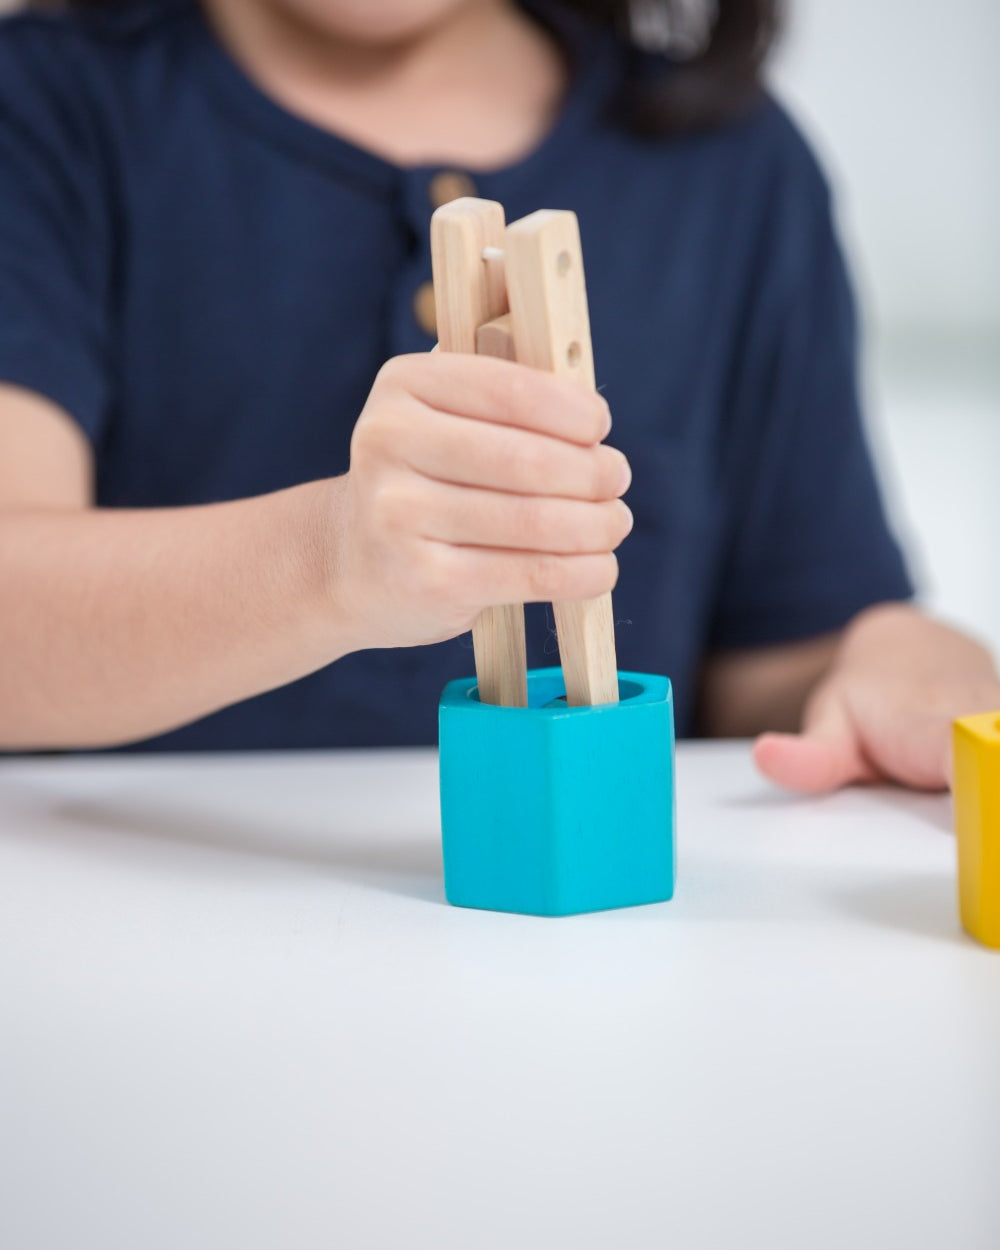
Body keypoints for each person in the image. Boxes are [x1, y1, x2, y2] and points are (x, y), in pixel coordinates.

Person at [0, 0, 996, 792]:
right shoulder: (41, 109)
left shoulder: (736, 166)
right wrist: (329, 558)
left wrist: (885, 655)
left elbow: (777, 667)